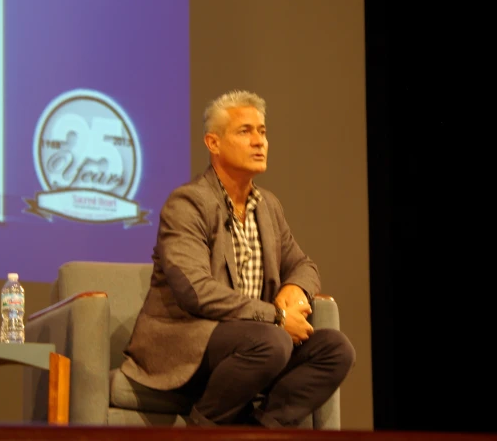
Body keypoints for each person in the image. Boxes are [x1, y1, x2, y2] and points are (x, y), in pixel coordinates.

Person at [121, 90, 355, 428]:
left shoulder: (268, 207)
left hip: (255, 344)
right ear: (213, 143)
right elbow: (196, 292)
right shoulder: (187, 203)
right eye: (245, 131)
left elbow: (303, 265)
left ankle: (259, 431)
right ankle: (200, 430)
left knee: (335, 348)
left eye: (262, 131)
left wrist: (296, 290)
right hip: (193, 340)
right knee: (271, 340)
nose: (259, 141)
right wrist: (275, 316)